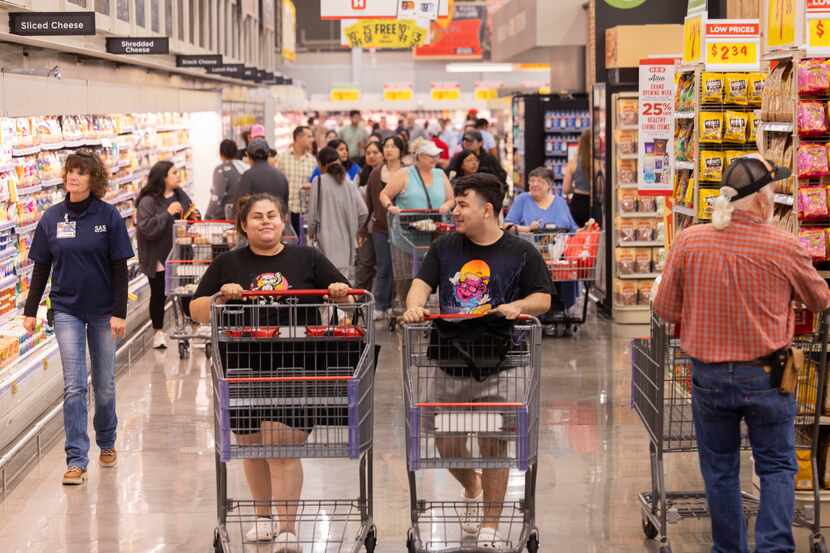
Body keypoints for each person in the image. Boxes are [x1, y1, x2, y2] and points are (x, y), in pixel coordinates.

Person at [653, 155, 830, 553]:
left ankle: (728, 548)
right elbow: (819, 298)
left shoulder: (690, 240)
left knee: (719, 470)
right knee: (777, 466)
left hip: (709, 376)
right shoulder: (783, 245)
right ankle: (773, 548)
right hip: (767, 376)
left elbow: (665, 308)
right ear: (763, 199)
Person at [189, 193, 354, 546]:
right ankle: (262, 517)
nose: (266, 221)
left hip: (296, 364)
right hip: (242, 365)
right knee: (250, 445)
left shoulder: (308, 258)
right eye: (258, 217)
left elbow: (350, 301)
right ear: (243, 225)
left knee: (281, 445)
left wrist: (340, 292)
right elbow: (197, 310)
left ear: (284, 222)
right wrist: (219, 296)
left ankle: (288, 527)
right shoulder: (228, 264)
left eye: (273, 216)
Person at [402, 173, 552, 548]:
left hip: (503, 360)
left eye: (462, 204)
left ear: (488, 209)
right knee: (446, 440)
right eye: (454, 204)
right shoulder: (444, 247)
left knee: (494, 441)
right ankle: (472, 485)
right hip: (448, 357)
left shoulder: (521, 252)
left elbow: (543, 298)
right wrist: (414, 306)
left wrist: (518, 305)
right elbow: (421, 284)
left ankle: (490, 525)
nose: (454, 211)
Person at [23, 151, 133, 485]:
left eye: (81, 172)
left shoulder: (108, 216)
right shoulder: (51, 217)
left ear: (93, 179)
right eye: (70, 171)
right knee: (73, 386)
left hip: (102, 312)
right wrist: (29, 310)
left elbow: (119, 268)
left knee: (104, 386)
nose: (74, 177)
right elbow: (41, 266)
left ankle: (107, 440)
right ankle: (76, 459)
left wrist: (119, 312)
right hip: (66, 309)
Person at [136, 160, 195, 349]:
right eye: (174, 172)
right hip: (157, 256)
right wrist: (168, 213)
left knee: (187, 290)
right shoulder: (148, 201)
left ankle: (190, 324)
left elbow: (192, 212)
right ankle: (158, 332)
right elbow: (146, 228)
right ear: (163, 177)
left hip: (181, 253)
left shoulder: (180, 194)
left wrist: (194, 218)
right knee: (159, 294)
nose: (178, 175)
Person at [504, 167, 578, 312]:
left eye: (540, 181)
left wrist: (585, 230)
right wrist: (528, 228)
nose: (534, 184)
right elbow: (506, 226)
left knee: (565, 271)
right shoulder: (523, 200)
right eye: (532, 181)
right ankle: (538, 308)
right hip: (530, 254)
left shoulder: (560, 202)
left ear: (549, 185)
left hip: (558, 255)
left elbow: (573, 228)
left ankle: (559, 308)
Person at [306, 147, 368, 281]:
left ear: (321, 164)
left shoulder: (319, 181)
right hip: (347, 245)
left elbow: (312, 216)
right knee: (345, 284)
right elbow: (363, 212)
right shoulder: (349, 183)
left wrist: (311, 232)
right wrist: (354, 229)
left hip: (325, 244)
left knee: (327, 282)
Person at [363, 136, 406, 320]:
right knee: (384, 266)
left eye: (393, 146)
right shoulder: (375, 173)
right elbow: (370, 203)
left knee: (403, 268)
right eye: (386, 146)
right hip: (381, 227)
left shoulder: (407, 172)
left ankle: (397, 303)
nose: (389, 150)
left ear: (400, 150)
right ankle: (381, 304)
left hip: (404, 228)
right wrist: (364, 227)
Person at [276, 126, 317, 240]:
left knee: (303, 245)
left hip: (304, 213)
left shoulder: (312, 161)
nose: (311, 139)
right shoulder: (281, 158)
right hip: (285, 211)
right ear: (298, 138)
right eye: (309, 136)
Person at [355, 141, 384, 294]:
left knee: (382, 265)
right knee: (364, 263)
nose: (371, 156)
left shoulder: (387, 175)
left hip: (382, 227)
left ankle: (379, 299)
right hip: (365, 227)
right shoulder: (361, 176)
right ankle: (359, 297)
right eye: (368, 153)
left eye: (375, 152)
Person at [233, 138, 289, 213]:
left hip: (257, 223)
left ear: (247, 155)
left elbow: (239, 207)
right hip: (277, 222)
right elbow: (285, 207)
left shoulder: (247, 176)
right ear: (269, 154)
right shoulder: (281, 176)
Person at [206, 139, 247, 220]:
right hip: (240, 213)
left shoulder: (221, 170)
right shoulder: (243, 167)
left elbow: (217, 196)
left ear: (221, 153)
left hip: (225, 216)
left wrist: (208, 216)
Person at [562, 130, 592, 227]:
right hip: (593, 203)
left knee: (578, 234)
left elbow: (566, 189)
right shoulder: (597, 163)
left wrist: (576, 188)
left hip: (578, 202)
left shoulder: (573, 162)